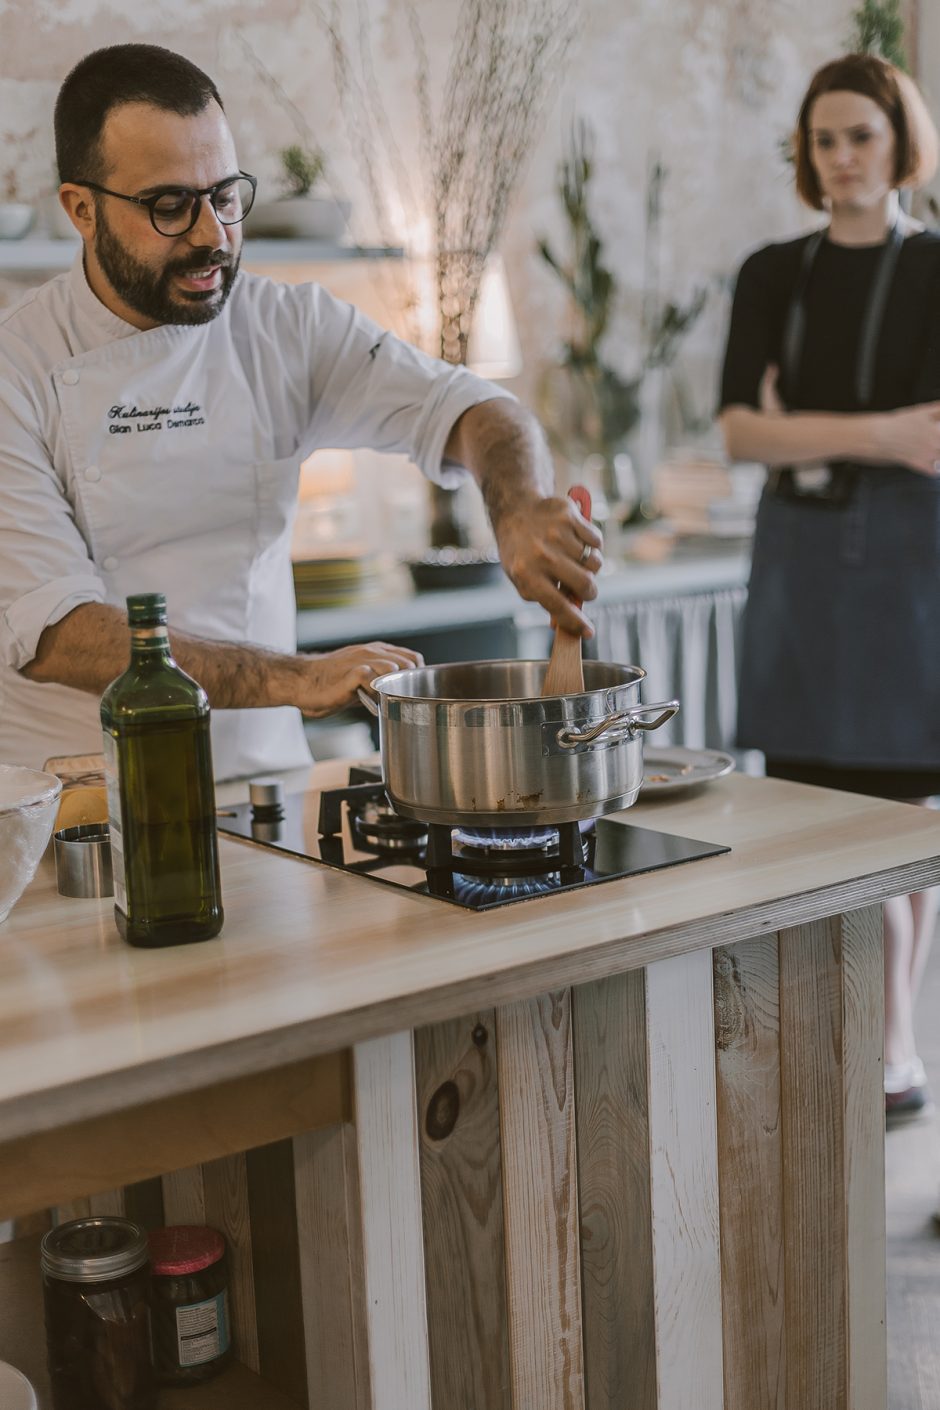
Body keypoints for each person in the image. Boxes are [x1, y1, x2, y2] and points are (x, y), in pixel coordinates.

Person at [0, 44, 602, 782]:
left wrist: (519, 508)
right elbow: (60, 634)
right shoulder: (16, 370)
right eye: (169, 206)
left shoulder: (282, 325)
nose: (212, 235)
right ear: (81, 210)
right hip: (80, 804)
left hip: (258, 786)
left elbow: (473, 406)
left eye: (224, 194)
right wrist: (296, 678)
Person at [719, 53, 940, 1122]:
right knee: (813, 811)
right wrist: (881, 432)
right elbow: (738, 429)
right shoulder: (771, 271)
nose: (843, 158)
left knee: (899, 817)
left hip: (909, 564)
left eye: (861, 135)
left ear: (901, 141)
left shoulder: (937, 265)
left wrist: (808, 431)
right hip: (798, 563)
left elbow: (935, 443)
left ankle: (895, 1042)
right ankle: (838, 1038)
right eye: (823, 141)